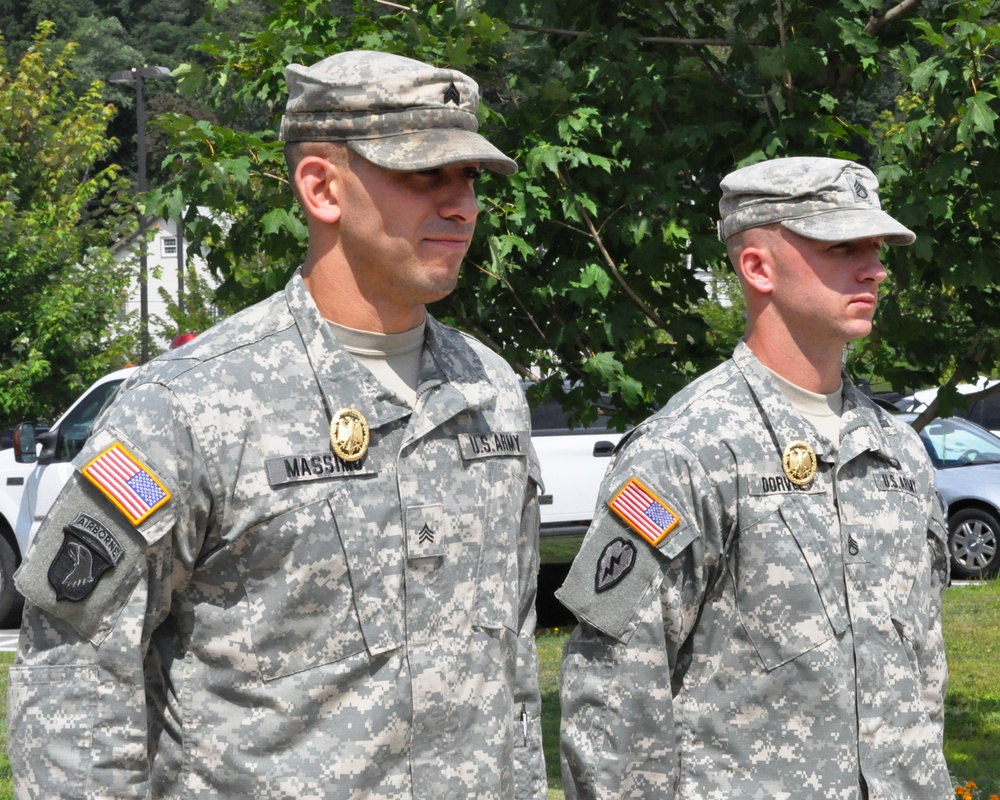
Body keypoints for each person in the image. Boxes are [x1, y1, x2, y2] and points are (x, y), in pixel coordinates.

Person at [8, 50, 546, 799]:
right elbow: (73, 670)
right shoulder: (190, 405)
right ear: (322, 188)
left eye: (469, 178)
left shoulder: (490, 390)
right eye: (424, 175)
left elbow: (514, 663)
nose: (460, 205)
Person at [557, 156, 952, 799]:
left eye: (876, 249)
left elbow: (922, 669)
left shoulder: (898, 451)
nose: (874, 268)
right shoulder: (683, 451)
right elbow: (610, 688)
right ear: (758, 267)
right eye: (841, 245)